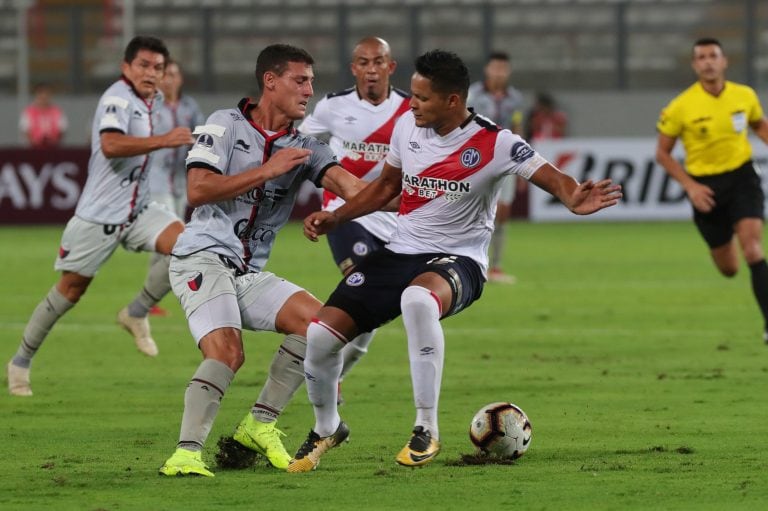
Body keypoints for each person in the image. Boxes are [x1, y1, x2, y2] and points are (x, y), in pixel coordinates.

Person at [287, 49, 622, 473]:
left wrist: (573, 195)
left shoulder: (495, 141)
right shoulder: (407, 125)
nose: (411, 104)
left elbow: (553, 177)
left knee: (417, 300)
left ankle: (425, 427)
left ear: (452, 101)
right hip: (400, 250)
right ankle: (326, 427)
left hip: (458, 260)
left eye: (422, 98)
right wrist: (338, 215)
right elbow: (386, 187)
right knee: (320, 335)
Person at [158, 43, 368, 478]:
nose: (309, 90)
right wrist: (269, 170)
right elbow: (198, 190)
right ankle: (186, 453)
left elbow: (355, 188)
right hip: (201, 256)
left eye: (311, 81)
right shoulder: (223, 124)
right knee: (227, 352)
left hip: (246, 272)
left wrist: (418, 195)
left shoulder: (306, 146)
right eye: (300, 80)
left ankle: (259, 424)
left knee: (325, 328)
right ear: (270, 82)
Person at [5, 35, 194, 397]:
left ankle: (136, 312)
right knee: (70, 291)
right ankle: (20, 361)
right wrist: (164, 140)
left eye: (158, 68)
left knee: (190, 245)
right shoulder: (116, 99)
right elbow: (110, 145)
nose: (151, 73)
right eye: (144, 65)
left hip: (139, 211)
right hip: (98, 216)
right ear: (126, 67)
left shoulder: (151, 101)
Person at [298, 36, 410, 403]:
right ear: (354, 68)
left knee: (376, 304)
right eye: (363, 62)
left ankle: (335, 372)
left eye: (379, 61)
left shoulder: (411, 111)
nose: (371, 69)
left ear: (391, 67)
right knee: (363, 284)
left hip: (394, 219)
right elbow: (298, 143)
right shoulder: (332, 106)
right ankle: (326, 371)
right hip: (345, 213)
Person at [655, 37, 768, 344]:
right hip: (706, 187)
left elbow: (759, 125)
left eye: (713, 56)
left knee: (754, 249)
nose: (707, 61)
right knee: (730, 268)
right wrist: (690, 186)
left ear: (724, 61)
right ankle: (722, 240)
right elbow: (662, 153)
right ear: (695, 65)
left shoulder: (744, 95)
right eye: (701, 57)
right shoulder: (681, 106)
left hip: (743, 178)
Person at [147, 59, 206, 316]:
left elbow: (204, 135)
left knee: (172, 238)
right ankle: (152, 296)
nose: (170, 79)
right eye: (166, 74)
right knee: (172, 237)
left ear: (180, 79)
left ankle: (152, 296)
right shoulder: (151, 107)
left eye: (174, 74)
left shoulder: (188, 107)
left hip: (181, 181)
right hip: (156, 180)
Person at [467, 51, 525, 284]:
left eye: (503, 68)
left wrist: (523, 164)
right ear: (487, 70)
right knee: (475, 211)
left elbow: (518, 127)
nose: (499, 72)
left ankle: (496, 266)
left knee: (502, 212)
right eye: (496, 68)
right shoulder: (473, 95)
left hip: (507, 160)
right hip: (479, 161)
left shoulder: (515, 99)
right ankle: (473, 261)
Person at [19, 82, 68, 148]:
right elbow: (26, 131)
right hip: (33, 150)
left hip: (53, 149)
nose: (44, 97)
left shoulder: (57, 111)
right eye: (41, 93)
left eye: (46, 94)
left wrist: (53, 142)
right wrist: (35, 143)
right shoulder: (28, 112)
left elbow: (62, 130)